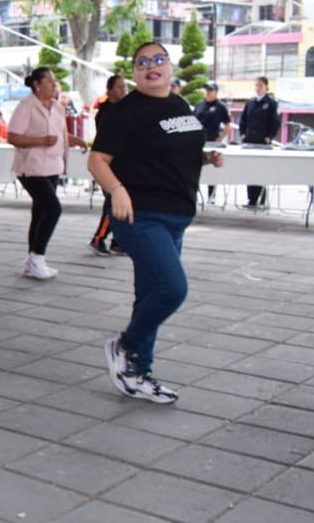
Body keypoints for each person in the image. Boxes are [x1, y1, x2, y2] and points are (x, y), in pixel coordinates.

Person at [89, 42, 223, 404]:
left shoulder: (178, 104)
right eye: (142, 62)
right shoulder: (126, 112)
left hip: (176, 215)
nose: (151, 66)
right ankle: (125, 346)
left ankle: (138, 372)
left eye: (158, 60)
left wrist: (205, 158)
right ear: (134, 71)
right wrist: (116, 190)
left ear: (170, 65)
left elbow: (174, 149)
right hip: (140, 216)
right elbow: (98, 160)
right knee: (171, 289)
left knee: (149, 295)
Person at [7, 67, 75, 280]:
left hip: (53, 167)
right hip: (32, 167)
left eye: (54, 81)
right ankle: (38, 257)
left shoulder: (57, 107)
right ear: (37, 84)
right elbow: (13, 137)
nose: (54, 85)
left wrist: (75, 141)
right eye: (50, 81)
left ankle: (32, 261)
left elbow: (60, 134)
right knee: (53, 209)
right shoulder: (26, 106)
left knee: (40, 212)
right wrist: (41, 141)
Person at [89, 75, 128, 256]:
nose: (124, 90)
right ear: (110, 90)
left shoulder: (123, 110)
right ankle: (99, 238)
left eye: (125, 87)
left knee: (118, 202)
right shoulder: (106, 113)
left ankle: (118, 241)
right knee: (112, 203)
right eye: (119, 87)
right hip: (110, 165)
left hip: (122, 163)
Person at [238, 76, 280, 208]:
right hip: (250, 140)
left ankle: (261, 199)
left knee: (261, 170)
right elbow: (243, 120)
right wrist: (243, 134)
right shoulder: (250, 102)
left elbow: (275, 122)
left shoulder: (271, 103)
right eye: (256, 85)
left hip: (263, 141)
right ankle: (251, 199)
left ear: (266, 87)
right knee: (250, 170)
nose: (258, 87)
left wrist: (270, 136)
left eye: (260, 85)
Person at [193, 81, 232, 202]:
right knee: (196, 168)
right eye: (206, 90)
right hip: (198, 141)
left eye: (210, 90)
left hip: (213, 141)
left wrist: (220, 138)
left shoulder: (221, 106)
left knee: (212, 167)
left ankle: (212, 196)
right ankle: (195, 195)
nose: (208, 93)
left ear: (216, 92)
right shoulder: (199, 104)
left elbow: (228, 125)